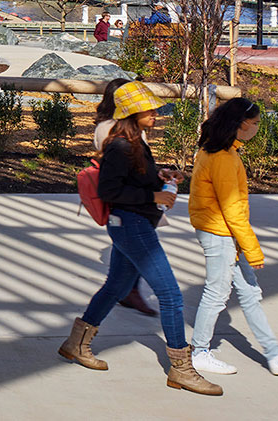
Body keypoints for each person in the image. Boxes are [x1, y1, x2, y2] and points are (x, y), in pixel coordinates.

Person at [58, 81, 220, 396]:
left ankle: (76, 344)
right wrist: (154, 195)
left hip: (133, 223)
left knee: (117, 287)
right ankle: (181, 369)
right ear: (132, 113)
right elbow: (110, 191)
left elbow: (135, 179)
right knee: (170, 295)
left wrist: (162, 178)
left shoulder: (135, 143)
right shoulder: (119, 146)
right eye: (149, 110)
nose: (156, 114)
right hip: (131, 225)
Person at [189, 97, 278, 377]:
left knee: (249, 292)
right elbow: (232, 208)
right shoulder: (222, 157)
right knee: (216, 293)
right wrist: (252, 248)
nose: (259, 127)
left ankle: (275, 355)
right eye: (256, 123)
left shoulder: (219, 150)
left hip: (223, 231)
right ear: (241, 125)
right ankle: (199, 352)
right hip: (220, 233)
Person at [93, 79, 158, 319]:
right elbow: (121, 171)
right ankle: (130, 291)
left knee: (118, 270)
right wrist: (152, 191)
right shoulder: (114, 132)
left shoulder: (126, 129)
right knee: (169, 291)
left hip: (135, 203)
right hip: (129, 204)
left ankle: (127, 292)